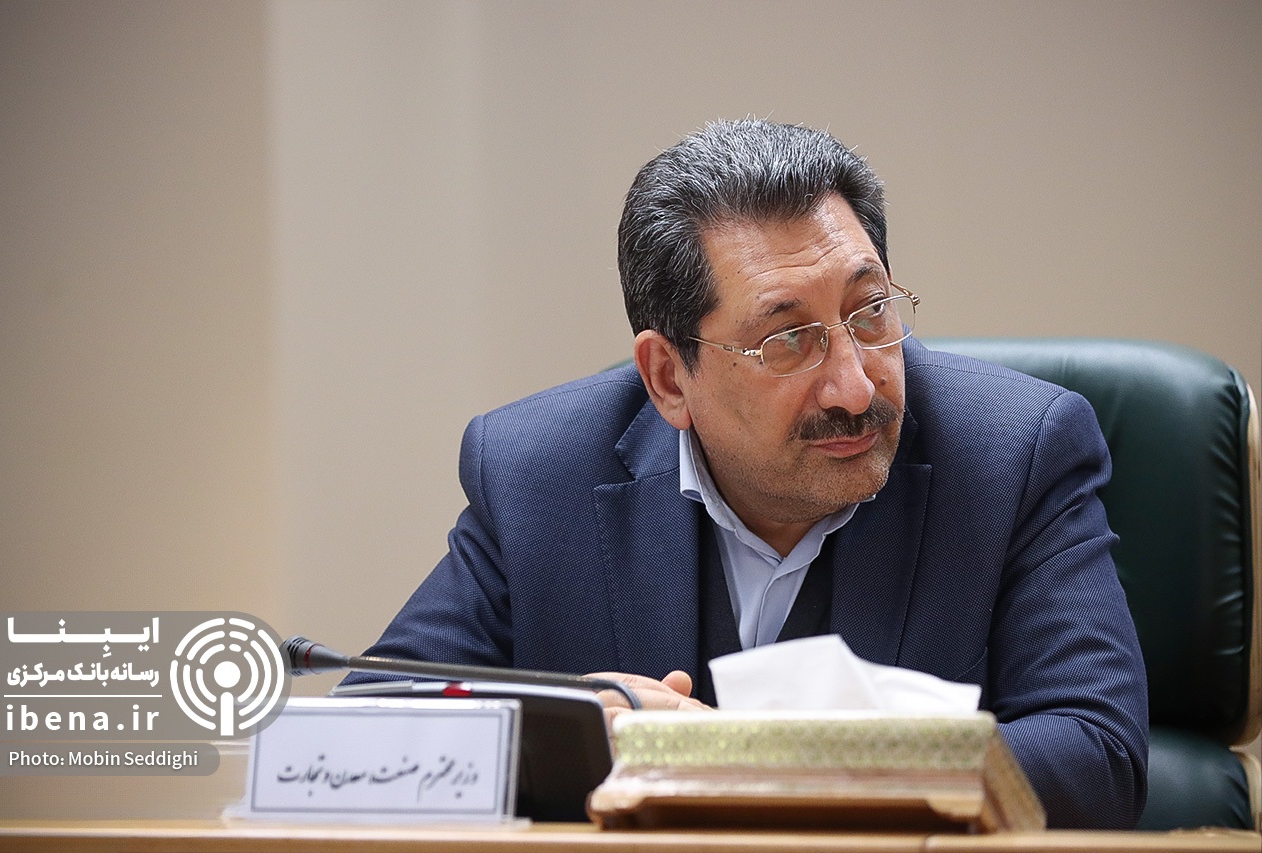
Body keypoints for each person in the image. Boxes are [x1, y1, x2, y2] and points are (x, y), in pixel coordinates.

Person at [354, 119, 1148, 829]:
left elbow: (1099, 752)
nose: (856, 387)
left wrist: (750, 761)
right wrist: (562, 735)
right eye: (787, 340)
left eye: (871, 311)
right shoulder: (538, 474)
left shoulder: (1014, 454)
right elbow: (367, 733)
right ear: (668, 376)